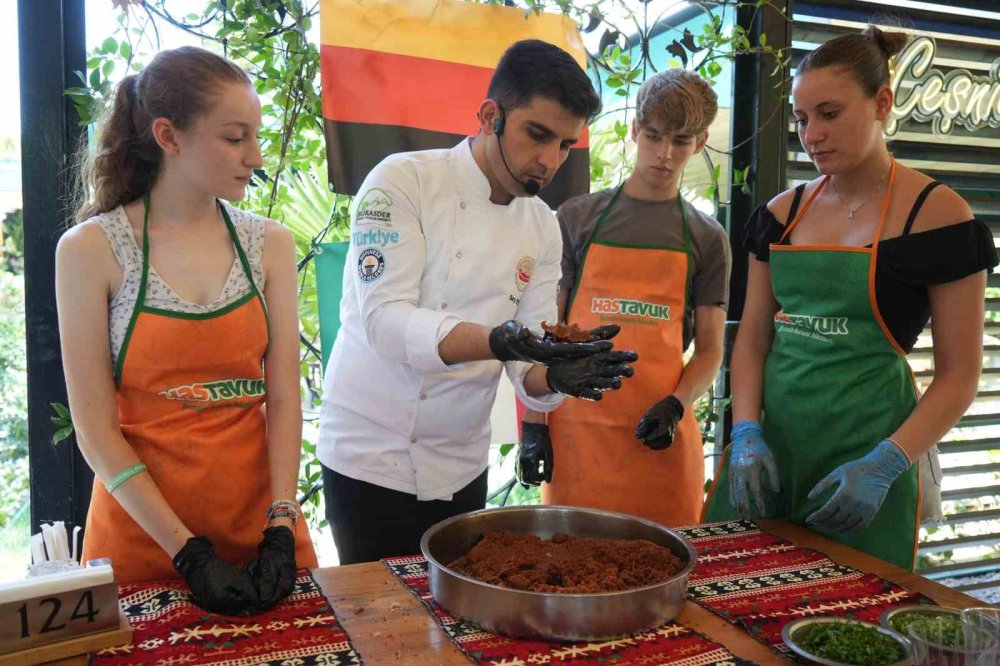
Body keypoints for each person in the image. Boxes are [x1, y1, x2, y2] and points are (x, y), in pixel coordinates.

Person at [318, 39, 638, 565]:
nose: (549, 160)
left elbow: (527, 363)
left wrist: (557, 374)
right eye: (538, 135)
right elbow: (385, 322)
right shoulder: (402, 182)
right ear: (491, 115)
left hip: (462, 463)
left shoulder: (541, 227)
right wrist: (495, 340)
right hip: (367, 458)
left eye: (564, 144)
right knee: (378, 621)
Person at [703, 27, 996, 569]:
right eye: (801, 118)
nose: (812, 134)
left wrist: (889, 461)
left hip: (868, 461)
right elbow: (753, 340)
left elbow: (960, 374)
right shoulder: (780, 215)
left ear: (881, 102)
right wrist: (745, 431)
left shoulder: (940, 217)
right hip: (772, 457)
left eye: (829, 114)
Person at [56, 46, 317, 614]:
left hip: (258, 533)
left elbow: (283, 398)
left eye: (256, 136)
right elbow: (97, 434)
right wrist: (188, 554)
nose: (256, 155)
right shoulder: (91, 250)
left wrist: (280, 524)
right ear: (168, 137)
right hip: (140, 545)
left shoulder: (268, 244)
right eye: (234, 137)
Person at [521, 69, 730, 528]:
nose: (664, 153)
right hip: (577, 439)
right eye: (653, 135)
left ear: (700, 142)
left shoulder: (707, 238)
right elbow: (544, 336)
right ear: (634, 130)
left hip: (662, 441)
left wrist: (676, 406)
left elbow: (712, 350)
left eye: (681, 140)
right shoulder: (576, 219)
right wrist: (533, 427)